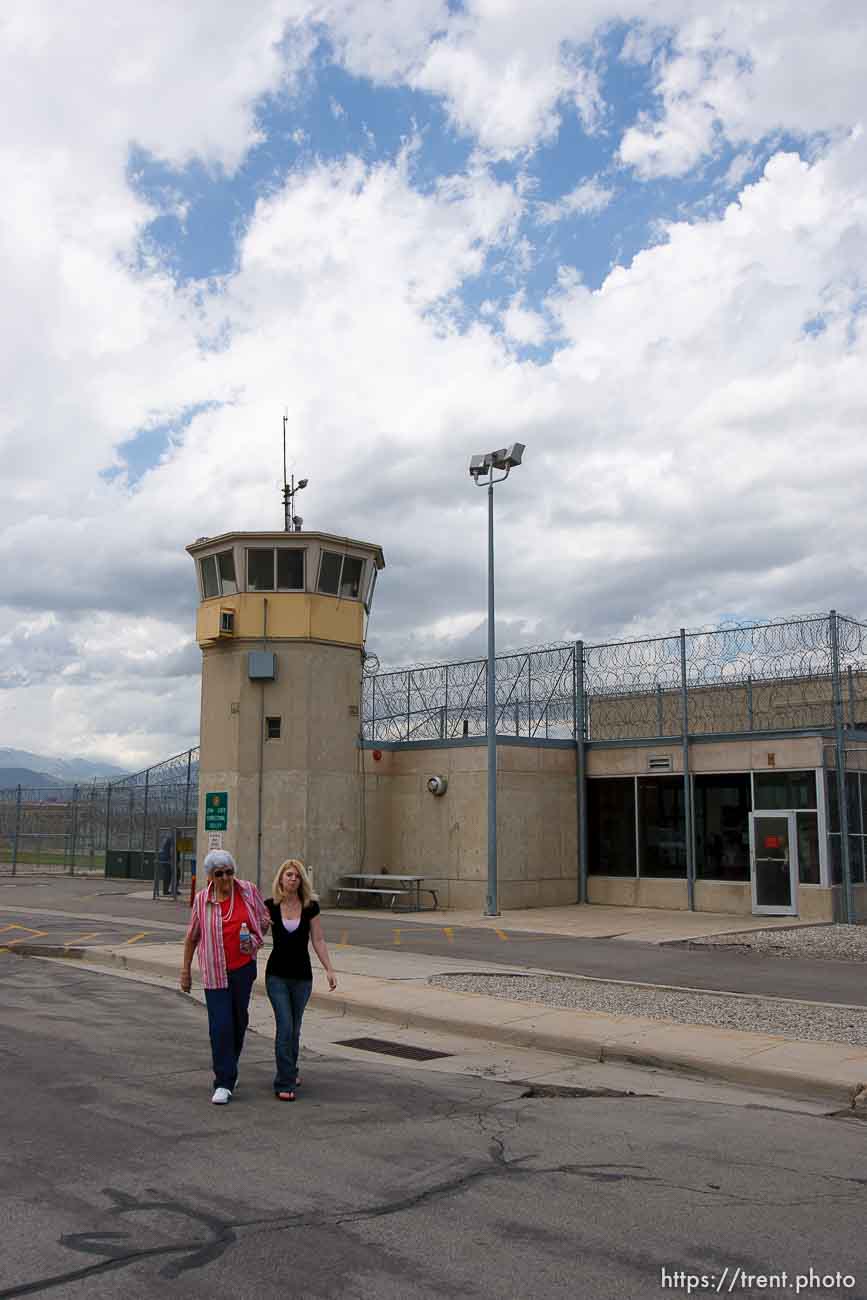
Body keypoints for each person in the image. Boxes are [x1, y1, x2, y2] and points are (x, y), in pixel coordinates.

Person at [179, 849, 270, 1104]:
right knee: (220, 1026)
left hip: (243, 969)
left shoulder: (248, 891)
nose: (226, 878)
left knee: (239, 1021)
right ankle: (223, 1082)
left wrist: (254, 939)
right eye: (219, 874)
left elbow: (264, 919)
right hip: (214, 971)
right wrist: (185, 970)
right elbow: (192, 937)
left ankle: (230, 1066)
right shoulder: (202, 900)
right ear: (210, 876)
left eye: (229, 872)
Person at [265, 859, 337, 1101]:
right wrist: (261, 925)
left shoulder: (310, 907)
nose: (293, 879)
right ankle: (284, 1082)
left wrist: (329, 969)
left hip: (302, 977)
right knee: (285, 1027)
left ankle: (291, 1070)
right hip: (276, 976)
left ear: (301, 880)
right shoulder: (270, 905)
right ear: (281, 878)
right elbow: (258, 934)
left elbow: (318, 939)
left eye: (297, 876)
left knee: (294, 1029)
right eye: (289, 875)